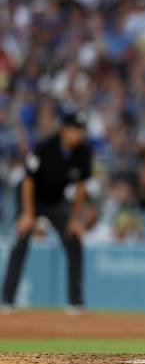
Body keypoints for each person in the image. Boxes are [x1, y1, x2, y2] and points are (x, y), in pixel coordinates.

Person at [1, 111, 91, 313]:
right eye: (75, 130)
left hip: (56, 201)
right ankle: (7, 300)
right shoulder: (45, 147)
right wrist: (27, 214)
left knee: (74, 241)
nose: (78, 135)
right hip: (31, 197)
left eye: (81, 131)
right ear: (64, 129)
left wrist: (75, 219)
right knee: (21, 241)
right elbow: (28, 180)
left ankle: (75, 302)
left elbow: (81, 188)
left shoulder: (83, 152)